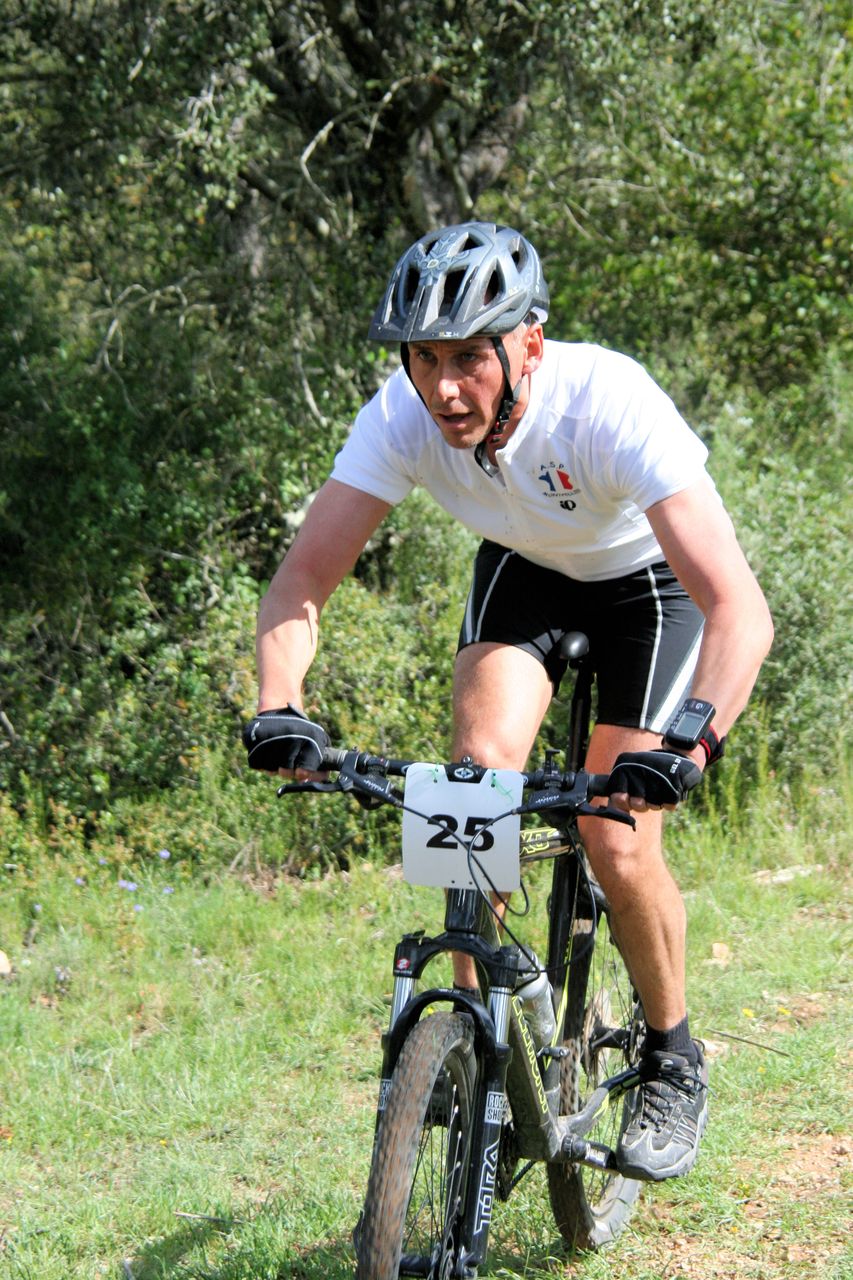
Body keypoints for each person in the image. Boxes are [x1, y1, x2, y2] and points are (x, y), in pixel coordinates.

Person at [244, 222, 773, 1182]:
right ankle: (477, 1047)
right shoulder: (400, 416)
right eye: (424, 358)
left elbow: (738, 607)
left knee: (615, 831)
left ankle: (672, 1054)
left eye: (467, 359)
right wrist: (280, 703)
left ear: (527, 342)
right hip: (526, 572)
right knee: (470, 790)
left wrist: (688, 746)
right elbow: (301, 583)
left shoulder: (607, 402)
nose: (444, 388)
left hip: (647, 587)